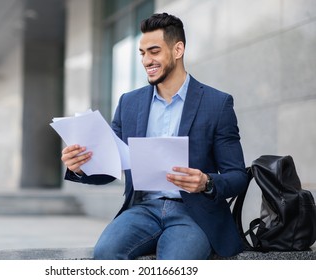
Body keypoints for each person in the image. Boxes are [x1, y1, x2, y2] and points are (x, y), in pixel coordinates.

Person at [61, 12, 248, 260]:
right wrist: (81, 168)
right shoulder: (129, 103)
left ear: (178, 49)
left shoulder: (217, 103)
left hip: (194, 214)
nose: (146, 60)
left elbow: (238, 176)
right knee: (105, 253)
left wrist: (207, 182)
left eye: (154, 51)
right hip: (142, 210)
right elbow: (111, 165)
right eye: (142, 53)